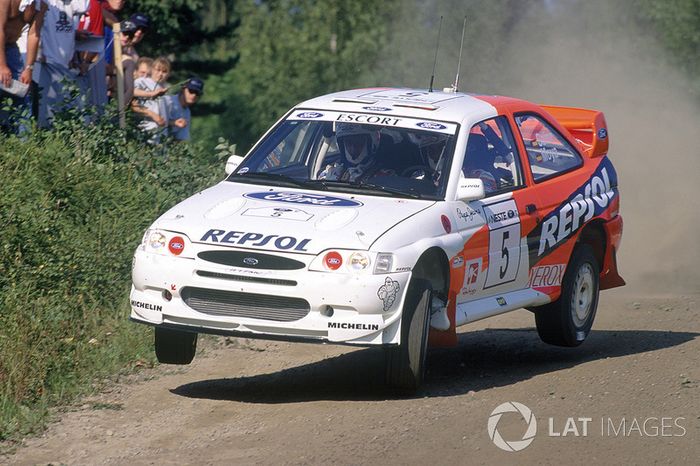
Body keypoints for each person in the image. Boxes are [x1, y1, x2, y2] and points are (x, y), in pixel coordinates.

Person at [28, 0, 90, 127]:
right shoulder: (46, 2)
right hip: (47, 63)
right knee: (47, 114)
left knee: (64, 111)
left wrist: (75, 34)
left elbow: (83, 6)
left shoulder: (70, 3)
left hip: (65, 65)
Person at [0, 0, 40, 131]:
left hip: (11, 46)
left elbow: (34, 34)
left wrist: (29, 68)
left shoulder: (41, 5)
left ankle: (24, 142)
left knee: (23, 91)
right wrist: (2, 65)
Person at [131, 56, 169, 141]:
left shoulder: (165, 91)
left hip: (161, 136)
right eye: (158, 70)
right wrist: (152, 114)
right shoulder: (142, 81)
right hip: (146, 131)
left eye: (164, 71)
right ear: (152, 70)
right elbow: (131, 91)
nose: (160, 74)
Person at [164, 76, 203, 141]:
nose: (194, 95)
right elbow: (155, 121)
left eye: (197, 93)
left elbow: (181, 139)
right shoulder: (168, 101)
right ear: (183, 89)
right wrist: (173, 123)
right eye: (191, 91)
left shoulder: (187, 112)